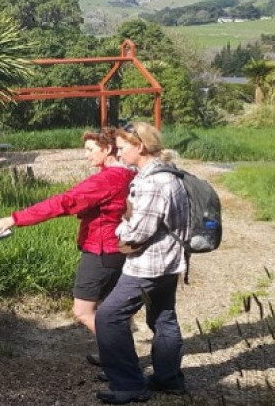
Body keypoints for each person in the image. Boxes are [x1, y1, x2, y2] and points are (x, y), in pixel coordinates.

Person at [0, 127, 136, 340]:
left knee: (83, 311)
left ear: (107, 149)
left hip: (101, 250)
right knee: (111, 310)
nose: (86, 155)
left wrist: (15, 218)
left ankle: (120, 355)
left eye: (90, 149)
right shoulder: (129, 173)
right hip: (119, 248)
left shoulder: (107, 179)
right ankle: (119, 354)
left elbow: (64, 202)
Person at [94, 121, 188, 404]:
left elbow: (138, 232)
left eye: (123, 148)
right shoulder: (167, 172)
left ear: (140, 147)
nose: (119, 153)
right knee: (163, 316)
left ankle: (128, 384)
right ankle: (169, 379)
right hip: (170, 261)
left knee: (108, 316)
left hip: (148, 265)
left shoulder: (154, 183)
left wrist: (118, 230)